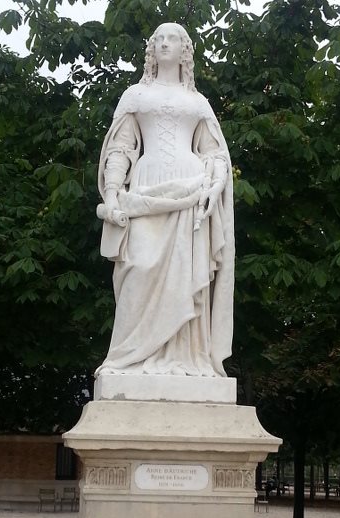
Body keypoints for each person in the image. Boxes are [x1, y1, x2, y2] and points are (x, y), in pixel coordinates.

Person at [95, 22, 235, 378]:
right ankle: (128, 357)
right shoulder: (135, 96)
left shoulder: (198, 102)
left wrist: (215, 185)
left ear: (185, 49)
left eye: (172, 38)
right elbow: (120, 147)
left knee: (186, 276)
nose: (163, 43)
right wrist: (111, 194)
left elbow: (214, 154)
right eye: (158, 38)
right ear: (151, 48)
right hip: (145, 188)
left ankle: (186, 359)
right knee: (138, 267)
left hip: (189, 192)